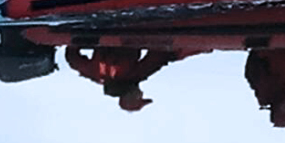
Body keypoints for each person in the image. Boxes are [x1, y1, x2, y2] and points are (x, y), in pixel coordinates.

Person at [65, 45, 197, 112]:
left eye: (140, 98)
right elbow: (73, 60)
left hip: (131, 27)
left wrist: (173, 53)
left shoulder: (135, 75)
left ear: (130, 96)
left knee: (176, 54)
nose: (142, 93)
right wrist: (75, 43)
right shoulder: (96, 75)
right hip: (106, 28)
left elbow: (158, 56)